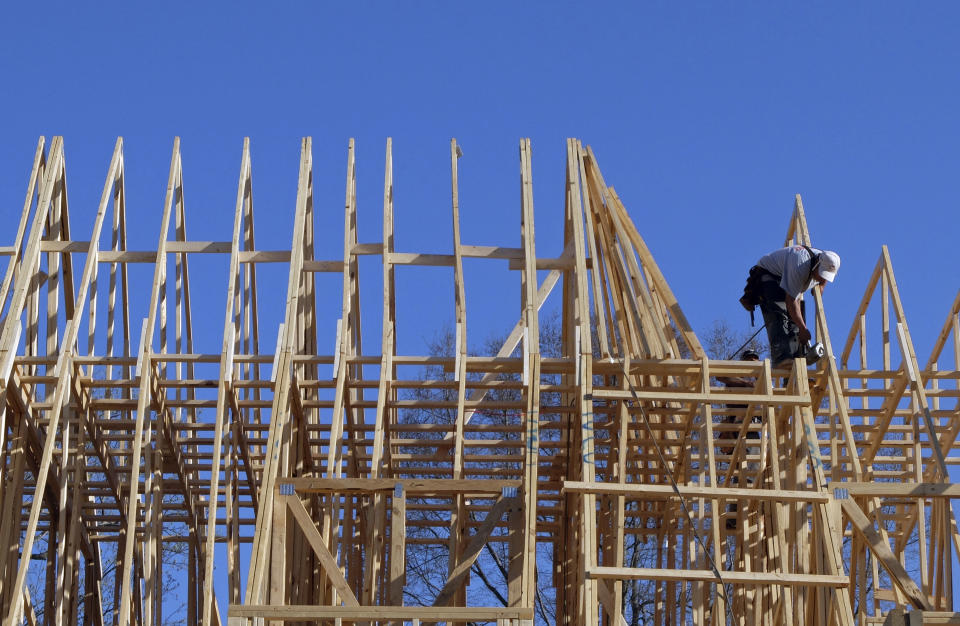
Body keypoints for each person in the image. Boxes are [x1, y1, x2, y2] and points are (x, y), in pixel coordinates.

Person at [750, 245, 840, 366]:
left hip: (786, 278)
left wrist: (822, 285)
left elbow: (824, 275)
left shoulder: (826, 261)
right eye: (821, 274)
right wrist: (803, 329)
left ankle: (797, 364)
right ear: (817, 264)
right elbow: (791, 301)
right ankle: (782, 358)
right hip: (768, 275)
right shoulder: (799, 266)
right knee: (779, 316)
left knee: (796, 324)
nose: (821, 278)